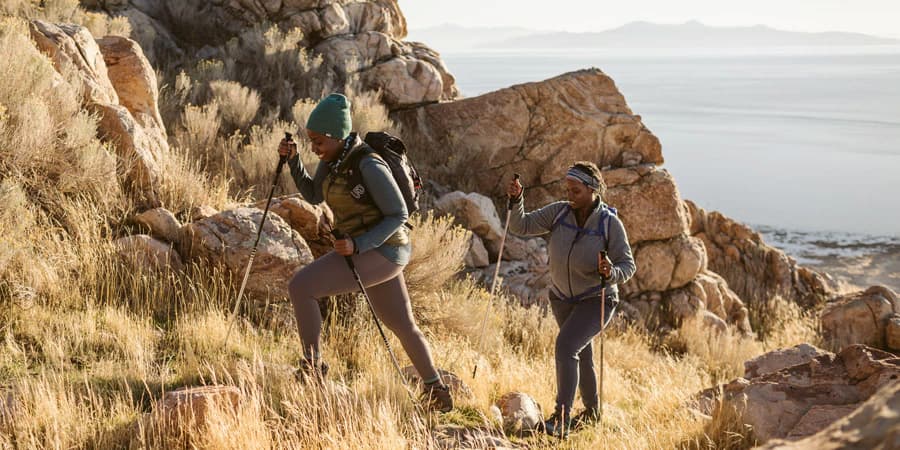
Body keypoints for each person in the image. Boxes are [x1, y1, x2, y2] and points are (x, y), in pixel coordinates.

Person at [277, 93, 452, 412]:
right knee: (400, 323)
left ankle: (313, 371)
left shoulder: (368, 164)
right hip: (367, 250)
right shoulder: (333, 160)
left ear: (335, 135)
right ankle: (437, 392)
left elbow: (398, 214)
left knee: (301, 287)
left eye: (317, 141)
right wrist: (294, 161)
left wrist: (358, 245)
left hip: (385, 250)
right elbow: (315, 195)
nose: (314, 147)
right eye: (310, 141)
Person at [506, 162, 636, 436]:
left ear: (592, 190)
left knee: (566, 347)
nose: (570, 195)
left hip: (596, 298)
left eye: (576, 191)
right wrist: (517, 199)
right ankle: (592, 412)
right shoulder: (559, 213)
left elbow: (628, 265)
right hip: (562, 298)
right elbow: (521, 225)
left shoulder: (609, 223)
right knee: (582, 353)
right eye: (568, 190)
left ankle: (561, 418)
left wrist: (611, 272)